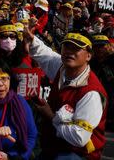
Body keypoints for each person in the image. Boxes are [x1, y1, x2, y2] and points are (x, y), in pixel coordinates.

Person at [28, 31, 107, 160]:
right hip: (54, 145)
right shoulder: (62, 67)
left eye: (76, 49)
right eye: (67, 47)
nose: (69, 52)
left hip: (78, 153)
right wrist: (30, 39)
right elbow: (44, 54)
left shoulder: (91, 93)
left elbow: (79, 138)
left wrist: (51, 116)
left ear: (88, 56)